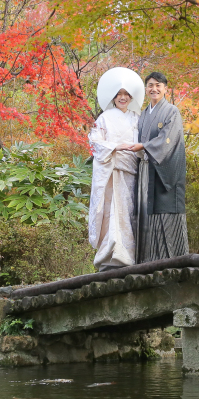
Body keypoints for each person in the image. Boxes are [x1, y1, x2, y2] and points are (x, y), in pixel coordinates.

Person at [88, 67, 144, 272]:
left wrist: (136, 150)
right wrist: (115, 147)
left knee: (128, 212)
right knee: (111, 212)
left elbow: (143, 143)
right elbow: (94, 142)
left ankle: (128, 255)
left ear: (131, 97)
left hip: (130, 170)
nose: (122, 98)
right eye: (119, 94)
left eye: (126, 94)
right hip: (111, 169)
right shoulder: (104, 118)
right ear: (114, 97)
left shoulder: (137, 118)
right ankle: (109, 255)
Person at [129, 71, 189, 263]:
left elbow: (167, 140)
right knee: (146, 213)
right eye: (150, 85)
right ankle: (149, 260)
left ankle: (173, 261)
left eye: (158, 85)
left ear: (165, 89)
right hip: (146, 170)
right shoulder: (144, 114)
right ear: (146, 89)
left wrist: (145, 146)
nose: (154, 89)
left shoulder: (172, 111)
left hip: (164, 172)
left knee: (164, 213)